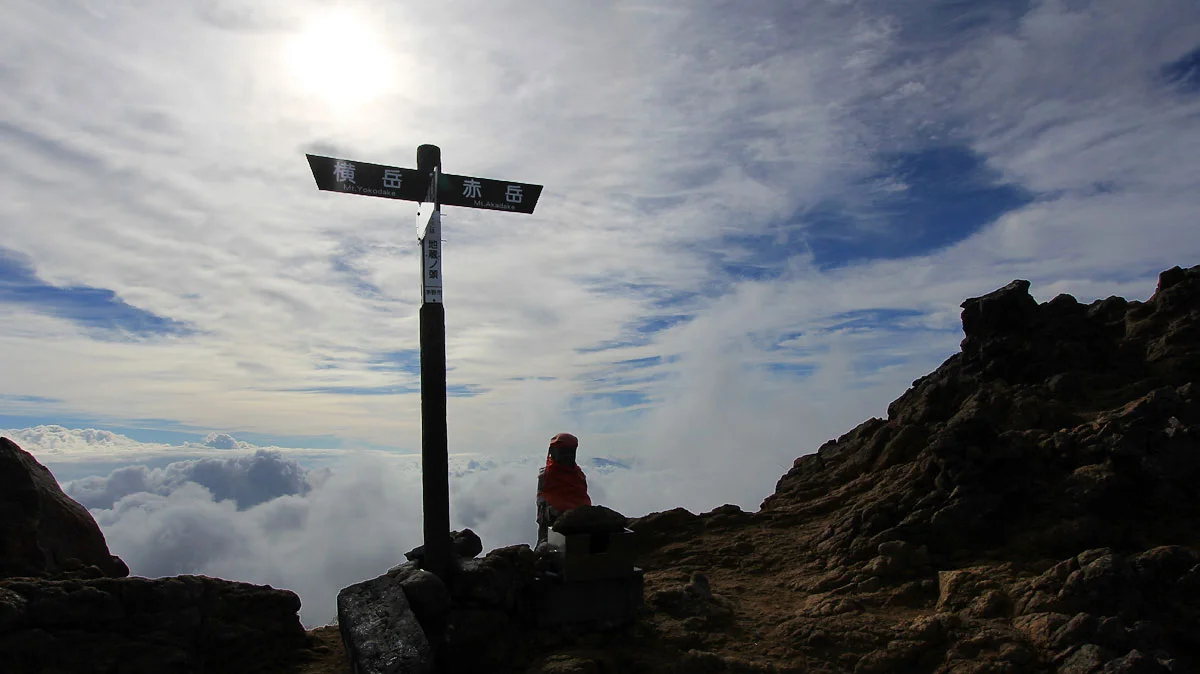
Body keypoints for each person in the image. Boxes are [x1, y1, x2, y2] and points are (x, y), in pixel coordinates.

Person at [536, 432, 592, 544]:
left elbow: (541, 509)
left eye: (570, 452)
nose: (567, 456)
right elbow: (542, 513)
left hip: (577, 528)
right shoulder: (546, 477)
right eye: (563, 452)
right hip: (555, 528)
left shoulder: (578, 476)